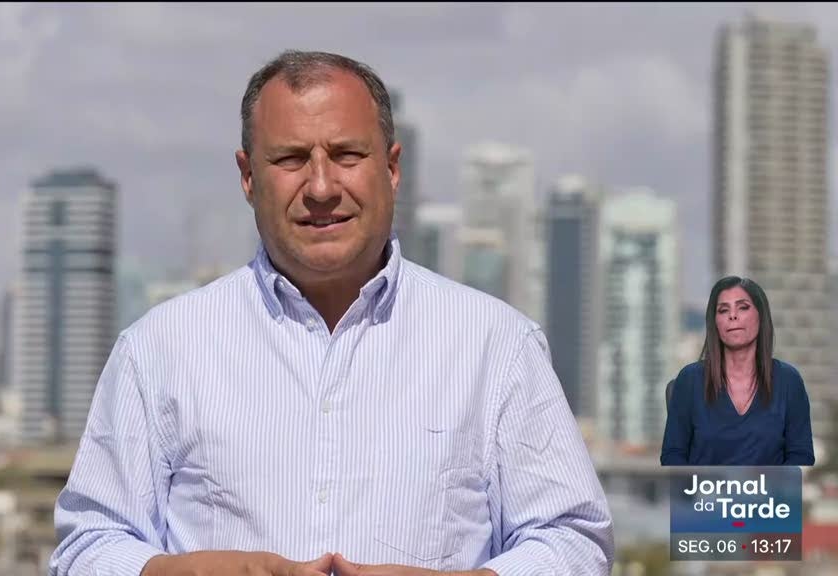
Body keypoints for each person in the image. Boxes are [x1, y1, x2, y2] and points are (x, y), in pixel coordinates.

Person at [50, 50, 613, 576]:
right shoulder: (159, 349)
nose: (321, 187)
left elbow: (573, 541)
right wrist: (191, 572)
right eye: (291, 159)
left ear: (392, 168)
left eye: (346, 155)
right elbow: (87, 546)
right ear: (248, 176)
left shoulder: (496, 345)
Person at [661, 276, 815, 466]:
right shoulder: (690, 379)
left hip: (770, 487)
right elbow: (673, 455)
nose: (732, 315)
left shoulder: (789, 381)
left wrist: (768, 484)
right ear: (715, 322)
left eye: (743, 307)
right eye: (723, 310)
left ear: (761, 316)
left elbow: (801, 455)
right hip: (704, 486)